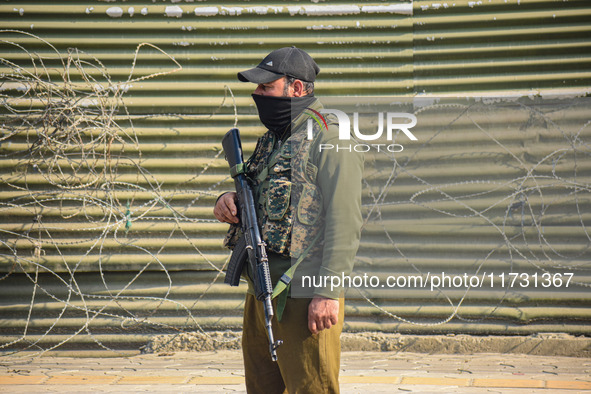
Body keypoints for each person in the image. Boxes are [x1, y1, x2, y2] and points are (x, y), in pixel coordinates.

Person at [213, 46, 363, 394]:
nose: (257, 94)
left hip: (304, 293)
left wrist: (328, 291)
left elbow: (345, 220)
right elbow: (261, 194)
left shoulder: (330, 137)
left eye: (266, 87)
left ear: (296, 89)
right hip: (262, 288)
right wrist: (226, 201)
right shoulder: (274, 139)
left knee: (311, 388)